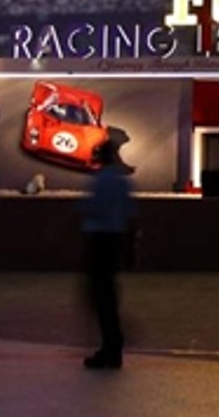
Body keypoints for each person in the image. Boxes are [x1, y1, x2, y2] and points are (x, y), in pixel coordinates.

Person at [78, 139, 136, 370]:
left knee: (100, 296)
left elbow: (90, 212)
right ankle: (113, 342)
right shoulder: (123, 183)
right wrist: (131, 249)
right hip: (115, 239)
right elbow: (132, 218)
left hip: (99, 240)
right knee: (108, 292)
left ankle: (111, 345)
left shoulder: (98, 182)